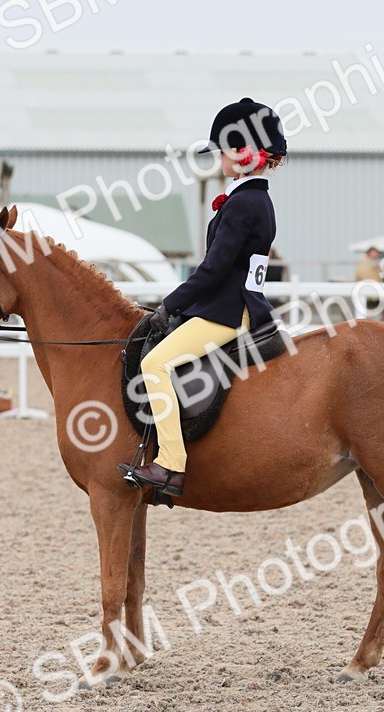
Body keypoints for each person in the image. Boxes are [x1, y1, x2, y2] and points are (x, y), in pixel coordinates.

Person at [119, 97, 287, 497]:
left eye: (225, 151)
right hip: (233, 305)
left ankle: (171, 465)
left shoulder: (244, 203)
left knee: (154, 363)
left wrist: (170, 305)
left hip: (227, 312)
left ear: (244, 154)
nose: (220, 160)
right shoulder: (253, 199)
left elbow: (213, 270)